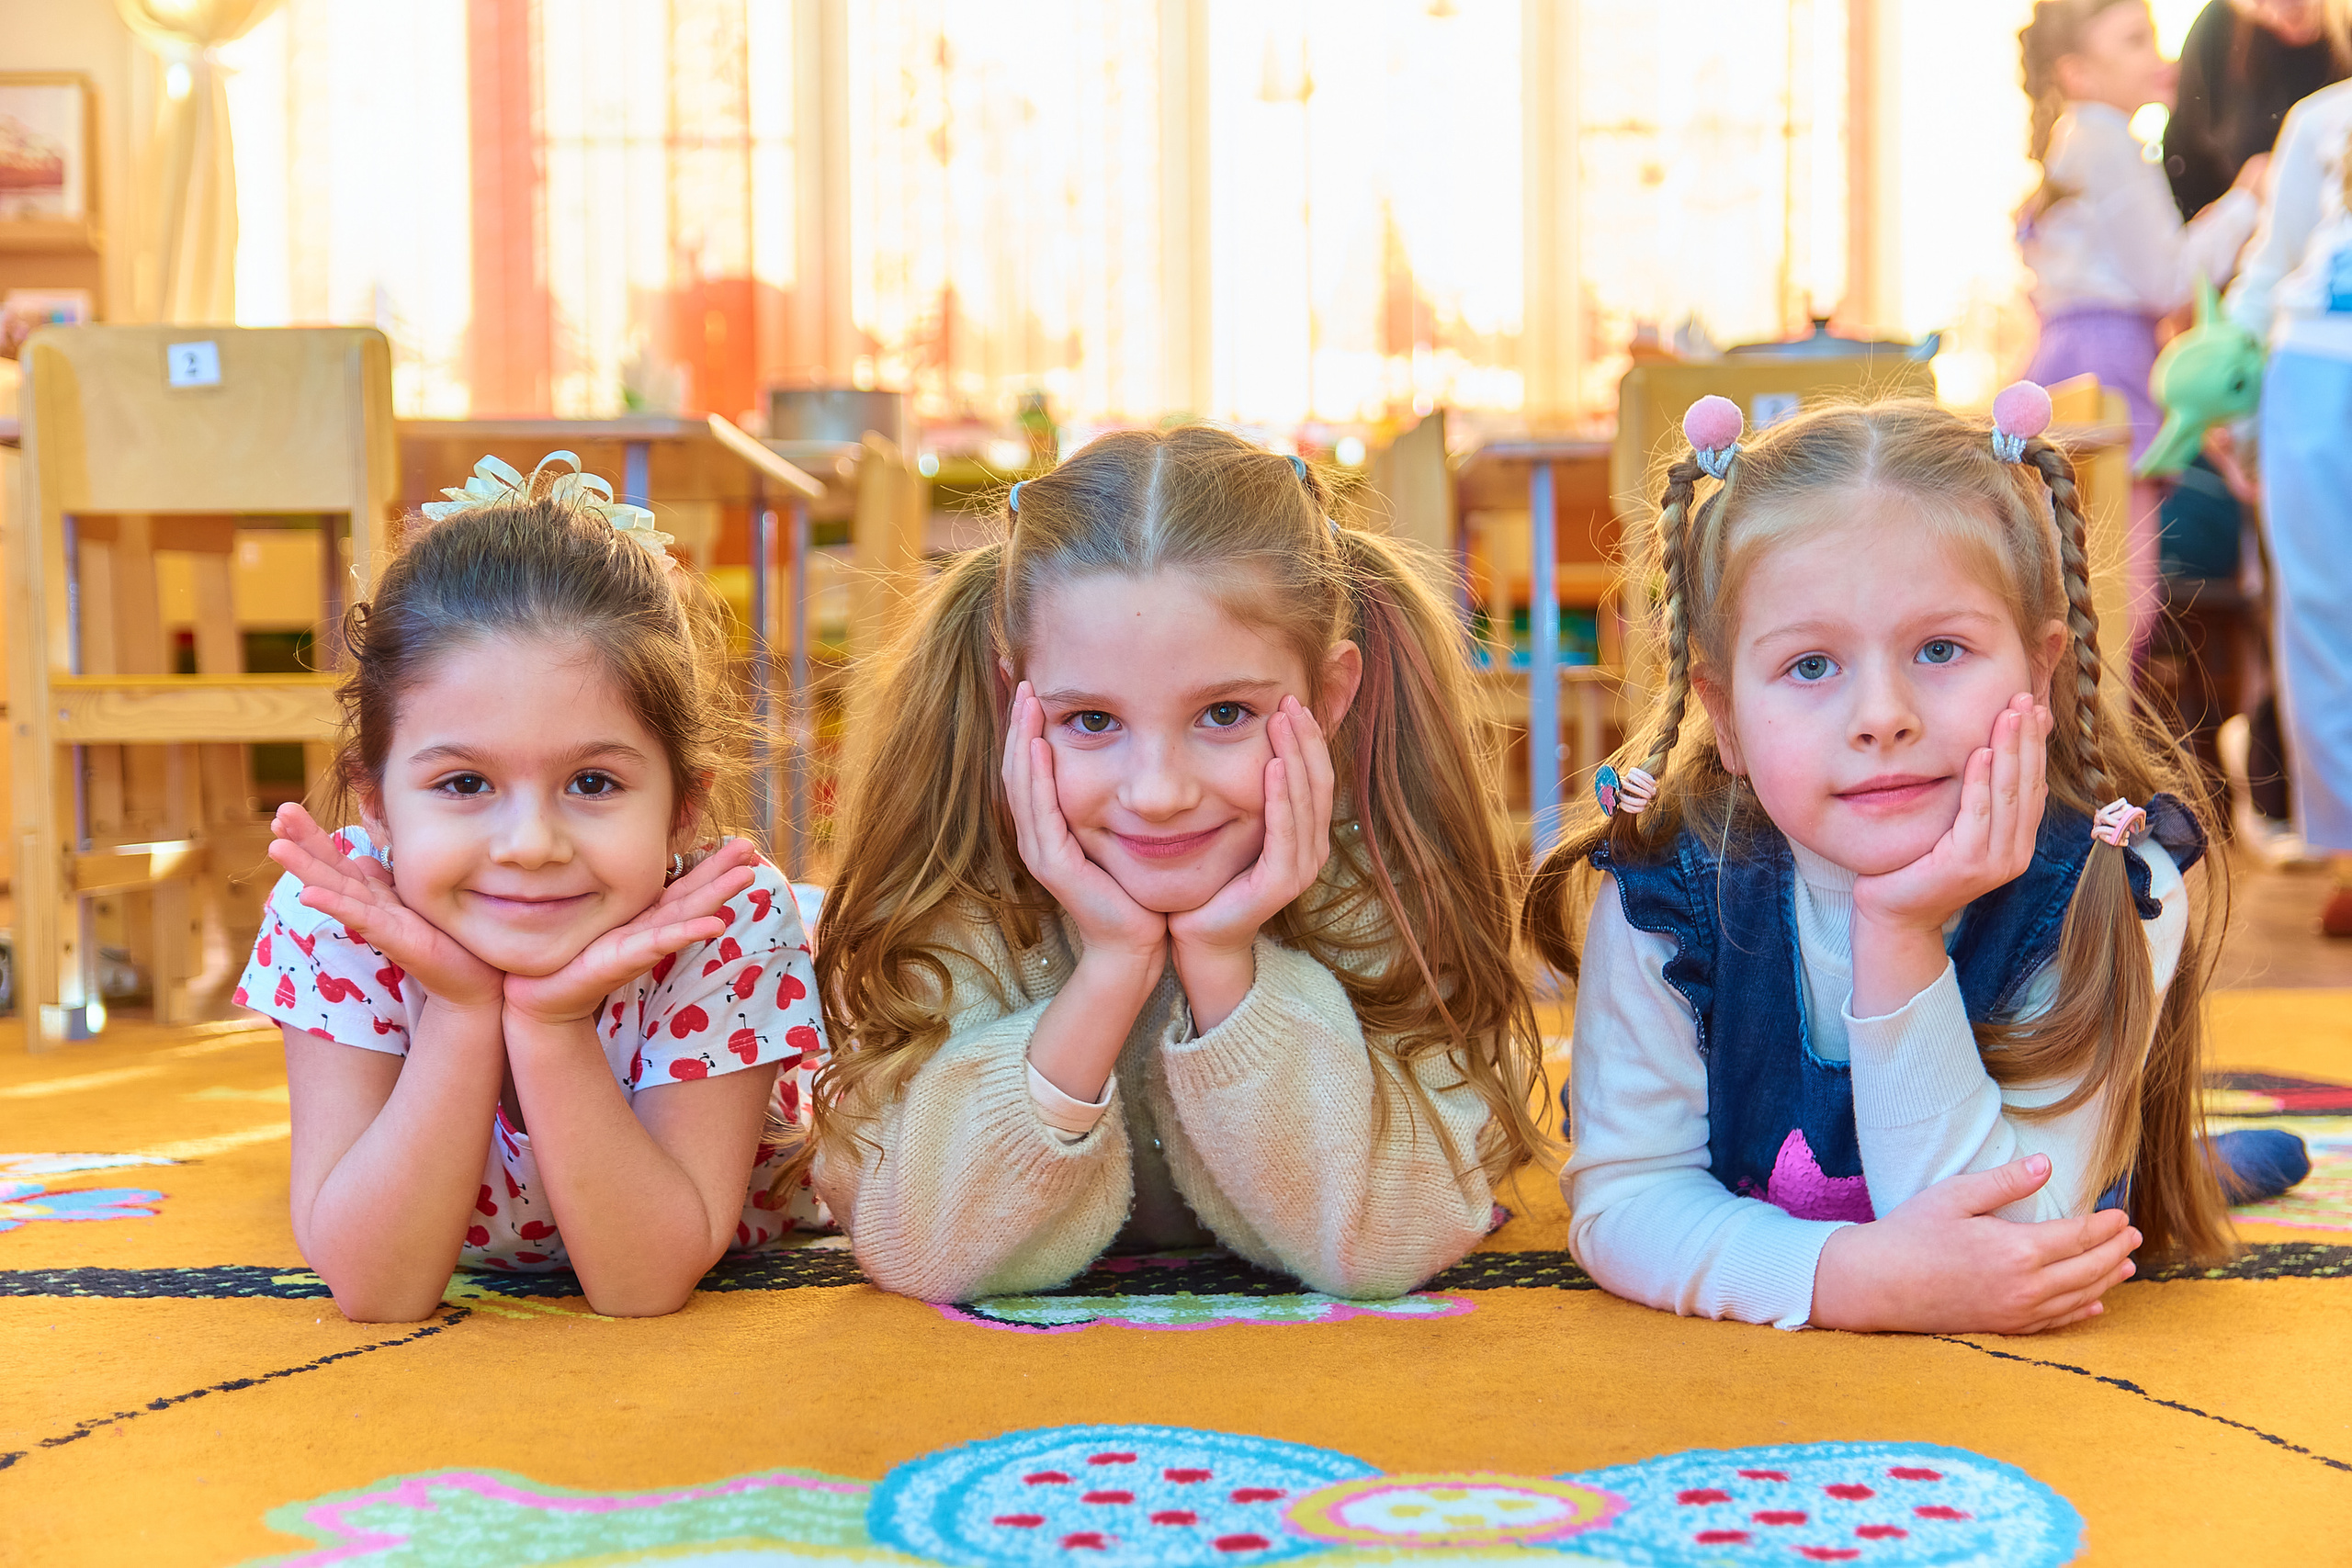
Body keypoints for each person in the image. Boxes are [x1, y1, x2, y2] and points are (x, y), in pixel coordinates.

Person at [1523, 388, 2307, 1335]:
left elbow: (2003, 1240)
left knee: (2129, 1179)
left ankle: (2156, 1160)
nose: (1881, 717)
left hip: (2042, 1165)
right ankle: (2166, 1159)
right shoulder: (1667, 890)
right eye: (1811, 665)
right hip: (1887, 1211)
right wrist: (1851, 1278)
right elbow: (1627, 1197)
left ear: (2041, 669)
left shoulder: (2114, 879)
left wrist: (1897, 930)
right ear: (1723, 714)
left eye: (1940, 649)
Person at [794, 427, 1546, 1303]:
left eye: (1225, 713)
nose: (1156, 793)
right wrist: (1111, 970)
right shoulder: (960, 888)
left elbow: (1385, 1242)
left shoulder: (1379, 877)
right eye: (1092, 721)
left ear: (1330, 696)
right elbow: (918, 1247)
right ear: (1014, 701)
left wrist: (1225, 962)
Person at [240, 454, 827, 1321]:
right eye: (464, 783)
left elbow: (642, 1284)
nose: (529, 846)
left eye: (592, 782)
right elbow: (376, 1287)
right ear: (376, 804)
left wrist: (550, 1027)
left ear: (682, 808)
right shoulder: (338, 910)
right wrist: (461, 1009)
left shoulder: (723, 920)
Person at [2018, 0, 2267, 655]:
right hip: (2111, 363)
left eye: (2153, 37)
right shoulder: (2107, 142)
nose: (2158, 57)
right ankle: (2106, 712)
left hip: (2073, 353)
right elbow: (2169, 280)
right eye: (2133, 42)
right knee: (2123, 593)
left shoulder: (2076, 139)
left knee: (2083, 576)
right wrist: (2246, 202)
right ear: (2077, 72)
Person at [2224, 78, 2352, 932]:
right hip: (2312, 365)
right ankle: (2348, 849)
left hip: (2313, 372)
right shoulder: (2323, 117)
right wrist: (2229, 406)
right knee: (2319, 609)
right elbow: (2271, 268)